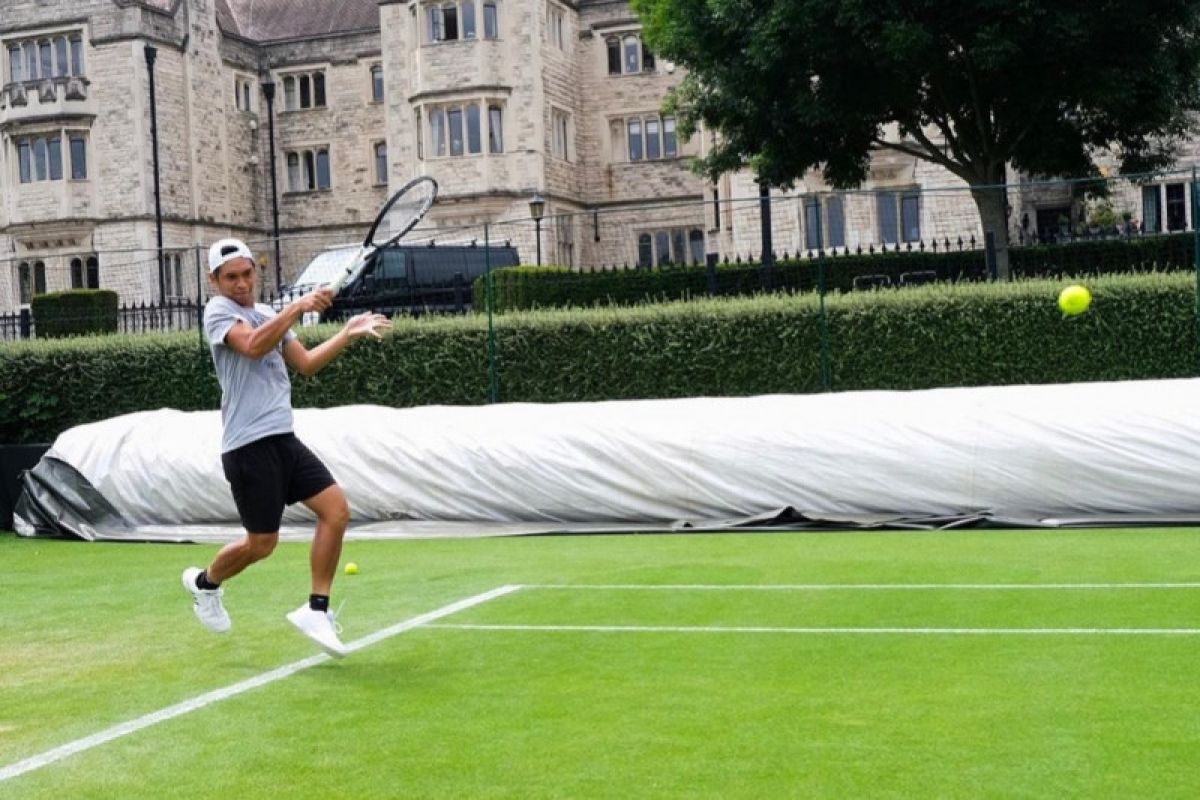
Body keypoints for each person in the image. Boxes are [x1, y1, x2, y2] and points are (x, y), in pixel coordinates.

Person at [182, 237, 392, 657]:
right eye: (231, 277)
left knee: (336, 511)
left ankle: (317, 609)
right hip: (247, 447)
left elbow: (308, 365)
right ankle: (205, 584)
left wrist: (347, 334)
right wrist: (296, 307)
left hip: (283, 438)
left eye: (246, 274)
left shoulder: (264, 314)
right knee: (261, 544)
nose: (241, 284)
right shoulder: (218, 312)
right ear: (215, 280)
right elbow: (255, 346)